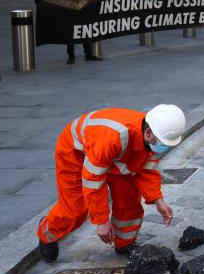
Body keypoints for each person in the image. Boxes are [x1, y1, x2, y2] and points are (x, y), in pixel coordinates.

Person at [37, 104, 185, 262]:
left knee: (128, 199)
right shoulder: (115, 137)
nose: (164, 147)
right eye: (163, 142)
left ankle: (124, 242)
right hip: (75, 150)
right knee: (76, 208)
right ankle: (47, 232)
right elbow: (93, 181)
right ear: (148, 132)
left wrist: (158, 199)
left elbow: (147, 170)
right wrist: (101, 221)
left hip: (115, 153)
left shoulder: (151, 137)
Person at [54, 0, 103, 65]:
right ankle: (71, 57)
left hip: (83, 12)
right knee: (71, 35)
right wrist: (42, 1)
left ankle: (88, 55)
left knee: (85, 33)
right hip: (71, 13)